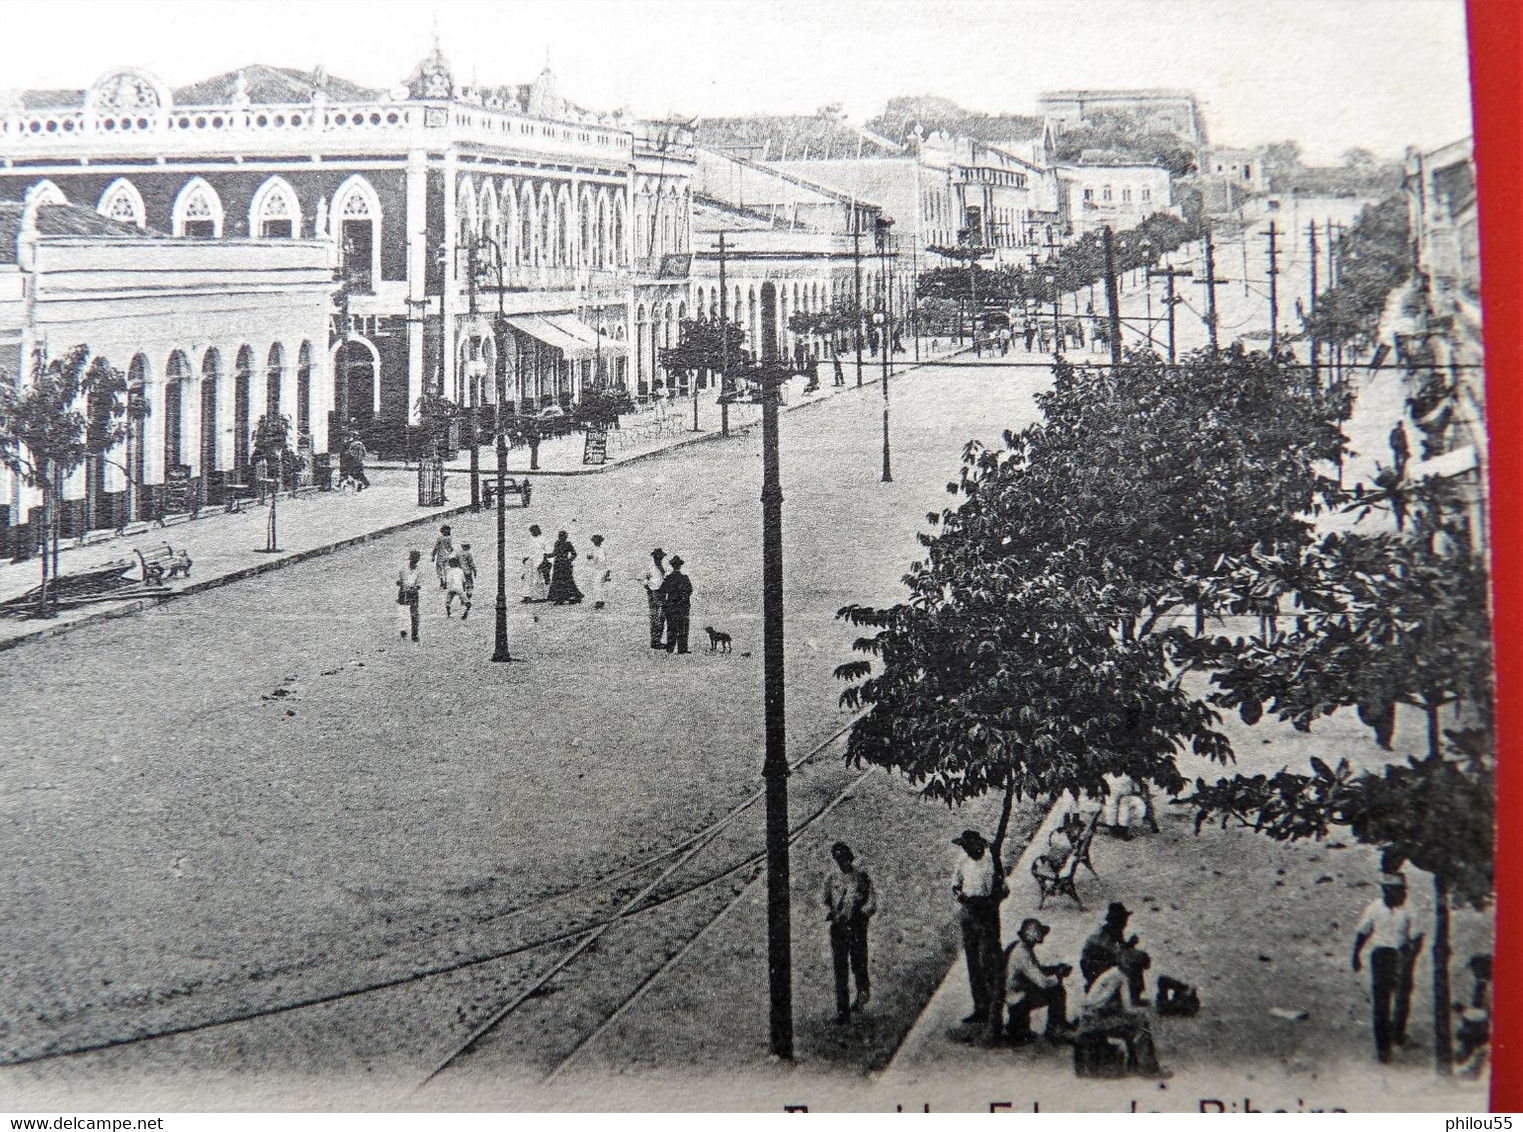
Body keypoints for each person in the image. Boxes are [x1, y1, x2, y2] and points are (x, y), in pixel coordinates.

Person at [1352, 876, 1424, 1063]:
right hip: (1381, 956)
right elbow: (1363, 931)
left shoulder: (1408, 909)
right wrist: (1356, 955)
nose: (1402, 894)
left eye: (1403, 890)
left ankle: (1398, 1034)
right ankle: (1383, 1050)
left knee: (1402, 997)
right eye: (1397, 890)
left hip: (1402, 955)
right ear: (1385, 890)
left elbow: (1417, 936)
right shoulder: (1375, 907)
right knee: (1381, 1002)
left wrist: (1410, 957)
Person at [1079, 958, 1170, 1078]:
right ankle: (1149, 1070)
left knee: (1135, 1023)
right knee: (1140, 1028)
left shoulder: (1112, 973)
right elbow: (1122, 1006)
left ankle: (1136, 1065)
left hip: (1089, 1017)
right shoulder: (1119, 978)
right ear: (1130, 968)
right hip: (1094, 1019)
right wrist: (1143, 1011)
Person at [952, 829, 1003, 1029]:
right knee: (973, 961)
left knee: (986, 960)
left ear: (978, 844)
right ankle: (980, 1007)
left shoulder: (990, 863)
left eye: (969, 846)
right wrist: (960, 896)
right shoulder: (962, 861)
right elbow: (955, 884)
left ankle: (992, 1007)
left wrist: (978, 903)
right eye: (964, 847)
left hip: (986, 915)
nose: (966, 850)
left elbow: (995, 893)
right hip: (968, 914)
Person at [823, 841, 876, 1022]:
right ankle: (842, 1010)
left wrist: (861, 915)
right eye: (838, 859)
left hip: (856, 928)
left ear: (849, 857)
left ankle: (863, 992)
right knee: (840, 969)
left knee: (859, 963)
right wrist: (831, 913)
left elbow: (871, 902)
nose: (842, 862)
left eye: (844, 858)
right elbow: (825, 900)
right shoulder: (832, 879)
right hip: (838, 929)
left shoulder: (861, 877)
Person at [1004, 918, 1072, 1043]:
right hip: (1018, 999)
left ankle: (1056, 1025)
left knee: (1054, 988)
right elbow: (1043, 982)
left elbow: (1035, 970)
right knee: (1057, 991)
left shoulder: (1022, 948)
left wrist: (1053, 969)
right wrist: (1058, 975)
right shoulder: (1022, 955)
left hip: (1016, 995)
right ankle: (1055, 1029)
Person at [1081, 902, 1152, 1007]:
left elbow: (1119, 950)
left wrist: (1129, 945)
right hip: (1093, 965)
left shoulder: (1114, 930)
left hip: (1102, 962)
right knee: (1132, 965)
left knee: (1133, 963)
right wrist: (1139, 955)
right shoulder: (1105, 933)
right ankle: (1129, 998)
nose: (1126, 923)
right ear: (1117, 920)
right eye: (1124, 919)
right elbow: (1118, 953)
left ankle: (1133, 997)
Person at [1455, 953, 1493, 1077]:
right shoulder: (1482, 984)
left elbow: (1482, 1010)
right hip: (1477, 1025)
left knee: (1480, 1045)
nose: (1474, 971)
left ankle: (1474, 1070)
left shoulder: (1484, 985)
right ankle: (1473, 1068)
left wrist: (1463, 1010)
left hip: (1480, 1026)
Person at [657, 555, 693, 653]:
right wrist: (683, 599)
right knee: (683, 628)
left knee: (671, 628)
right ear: (680, 566)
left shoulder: (669, 578)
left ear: (672, 566)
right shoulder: (685, 578)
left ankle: (670, 648)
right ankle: (682, 649)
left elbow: (662, 591)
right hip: (683, 606)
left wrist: (665, 603)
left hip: (671, 606)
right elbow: (689, 591)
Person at [547, 530, 584, 605]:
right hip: (558, 564)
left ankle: (570, 597)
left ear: (565, 537)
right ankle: (559, 598)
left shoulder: (568, 544)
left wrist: (569, 560)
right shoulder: (557, 543)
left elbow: (574, 554)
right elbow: (555, 553)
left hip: (564, 564)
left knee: (567, 581)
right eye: (560, 536)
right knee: (557, 581)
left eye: (563, 536)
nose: (561, 538)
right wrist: (548, 555)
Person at [641, 548, 668, 648]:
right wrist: (652, 591)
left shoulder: (659, 567)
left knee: (657, 617)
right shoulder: (653, 568)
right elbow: (645, 581)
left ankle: (656, 640)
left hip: (657, 592)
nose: (659, 559)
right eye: (659, 557)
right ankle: (655, 641)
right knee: (658, 617)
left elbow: (645, 581)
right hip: (657, 593)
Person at [395, 551, 422, 642]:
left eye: (416, 559)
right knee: (403, 612)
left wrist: (415, 588)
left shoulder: (418, 570)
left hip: (413, 593)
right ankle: (403, 629)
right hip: (403, 592)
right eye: (413, 558)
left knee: (414, 614)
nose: (415, 561)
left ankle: (414, 634)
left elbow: (419, 584)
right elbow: (398, 580)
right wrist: (401, 584)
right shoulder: (403, 568)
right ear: (410, 558)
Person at [523, 525, 550, 603]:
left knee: (538, 579)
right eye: (531, 532)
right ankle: (527, 596)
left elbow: (547, 551)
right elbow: (529, 551)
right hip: (531, 561)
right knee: (528, 579)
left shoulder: (543, 539)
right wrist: (526, 558)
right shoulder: (531, 540)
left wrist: (545, 560)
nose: (532, 533)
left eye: (534, 531)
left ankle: (540, 596)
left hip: (539, 560)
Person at [586, 534, 611, 610]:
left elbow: (603, 561)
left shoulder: (601, 550)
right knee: (597, 584)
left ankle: (599, 601)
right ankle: (599, 600)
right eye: (594, 540)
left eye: (596, 540)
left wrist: (607, 571)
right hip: (597, 569)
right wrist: (589, 557)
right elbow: (590, 558)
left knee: (598, 584)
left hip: (602, 569)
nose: (595, 542)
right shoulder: (594, 549)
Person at [431, 525, 456, 590]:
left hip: (440, 556)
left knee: (439, 569)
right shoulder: (450, 538)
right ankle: (446, 582)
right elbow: (451, 548)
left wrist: (433, 555)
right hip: (447, 556)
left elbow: (436, 547)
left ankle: (442, 581)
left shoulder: (440, 538)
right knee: (446, 569)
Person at [458, 542, 477, 606]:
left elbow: (454, 560)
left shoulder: (458, 554)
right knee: (469, 585)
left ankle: (462, 599)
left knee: (462, 585)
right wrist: (474, 570)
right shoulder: (468, 554)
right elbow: (471, 563)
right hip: (467, 572)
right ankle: (468, 597)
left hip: (460, 572)